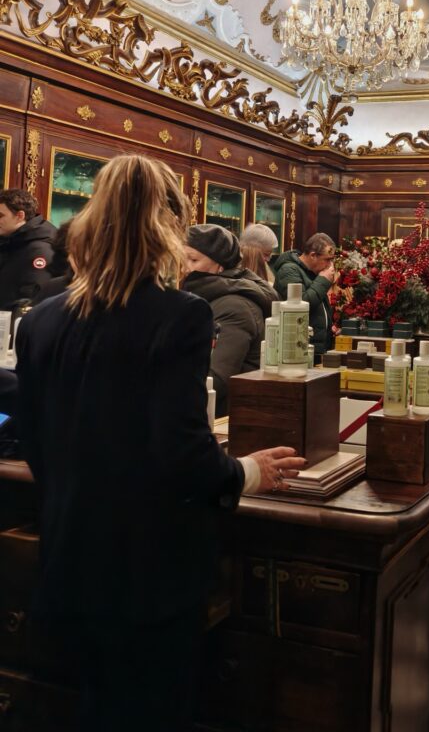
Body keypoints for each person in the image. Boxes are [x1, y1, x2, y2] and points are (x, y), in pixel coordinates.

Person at [14, 154, 305, 732]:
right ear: (170, 229)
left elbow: (37, 445)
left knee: (89, 705)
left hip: (69, 558)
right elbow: (182, 454)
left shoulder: (41, 319)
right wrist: (247, 471)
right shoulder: (180, 314)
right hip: (148, 574)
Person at [183, 224, 278, 416]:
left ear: (220, 265)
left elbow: (216, 378)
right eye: (181, 258)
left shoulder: (235, 307)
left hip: (224, 417)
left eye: (193, 259)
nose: (184, 267)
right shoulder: (207, 297)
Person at [272, 233, 336, 355]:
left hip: (315, 346)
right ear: (313, 255)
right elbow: (301, 305)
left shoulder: (314, 272)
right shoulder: (289, 270)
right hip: (299, 348)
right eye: (327, 260)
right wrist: (323, 281)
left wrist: (329, 327)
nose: (330, 265)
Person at [0, 188, 57, 312]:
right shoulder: (10, 242)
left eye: (1, 215)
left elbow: (31, 301)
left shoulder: (40, 249)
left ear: (20, 216)